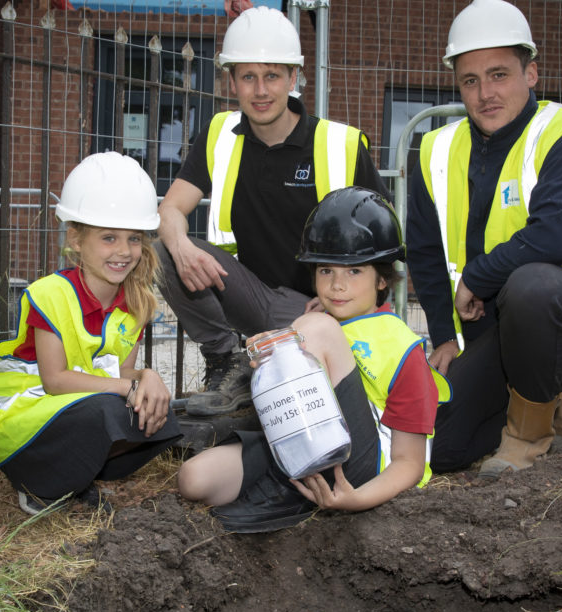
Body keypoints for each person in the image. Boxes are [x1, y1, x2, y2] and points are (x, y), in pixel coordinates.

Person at [404, 0, 562, 479]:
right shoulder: (435, 150)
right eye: (470, 80)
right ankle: (537, 405)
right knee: (444, 448)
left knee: (534, 285)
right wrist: (445, 338)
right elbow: (427, 254)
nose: (484, 93)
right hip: (497, 338)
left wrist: (479, 274)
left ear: (531, 73)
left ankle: (531, 435)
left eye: (499, 75)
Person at [156, 6, 391, 417]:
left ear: (293, 78)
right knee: (159, 252)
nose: (260, 90)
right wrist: (179, 244)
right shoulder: (219, 136)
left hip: (314, 307)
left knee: (291, 401)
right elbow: (172, 207)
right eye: (248, 77)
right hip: (247, 295)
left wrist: (341, 300)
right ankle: (227, 361)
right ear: (232, 81)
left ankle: (259, 379)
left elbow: (385, 245)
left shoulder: (340, 145)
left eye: (272, 76)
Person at [178, 187, 449, 533]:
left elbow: (410, 464)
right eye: (325, 271)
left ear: (382, 278)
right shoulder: (321, 324)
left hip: (362, 472)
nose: (337, 286)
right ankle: (293, 485)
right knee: (195, 479)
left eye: (354, 272)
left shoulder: (401, 347)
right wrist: (266, 363)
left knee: (311, 330)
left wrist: (357, 500)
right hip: (300, 444)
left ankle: (283, 496)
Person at [0, 152, 183, 515]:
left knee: (163, 413)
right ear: (76, 240)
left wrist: (146, 377)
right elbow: (56, 381)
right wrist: (129, 388)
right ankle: (37, 485)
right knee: (109, 409)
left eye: (134, 239)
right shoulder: (51, 293)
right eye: (109, 238)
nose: (124, 251)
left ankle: (74, 477)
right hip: (23, 418)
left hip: (73, 410)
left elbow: (120, 372)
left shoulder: (135, 303)